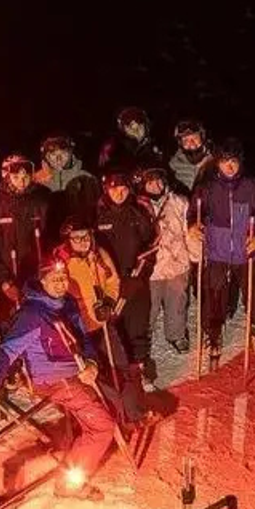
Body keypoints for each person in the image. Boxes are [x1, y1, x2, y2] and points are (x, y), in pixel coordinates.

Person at [0, 253, 116, 500]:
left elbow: (83, 337)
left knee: (104, 411)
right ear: (42, 282)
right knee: (102, 427)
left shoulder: (67, 303)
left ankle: (76, 458)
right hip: (53, 378)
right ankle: (69, 484)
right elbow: (7, 349)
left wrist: (90, 362)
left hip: (75, 371)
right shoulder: (32, 314)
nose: (60, 283)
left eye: (63, 277)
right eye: (54, 278)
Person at [57, 220, 150, 424]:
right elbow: (57, 293)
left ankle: (133, 414)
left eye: (86, 236)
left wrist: (108, 301)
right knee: (97, 376)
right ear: (68, 240)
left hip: (103, 323)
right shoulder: (62, 262)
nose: (83, 242)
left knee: (122, 367)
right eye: (77, 238)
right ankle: (112, 417)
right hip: (81, 329)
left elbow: (112, 281)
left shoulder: (99, 255)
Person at [194, 138, 255, 369]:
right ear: (217, 163)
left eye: (234, 162)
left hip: (245, 249)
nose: (230, 167)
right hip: (218, 250)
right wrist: (192, 226)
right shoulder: (206, 187)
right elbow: (194, 212)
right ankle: (213, 334)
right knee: (214, 293)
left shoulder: (253, 186)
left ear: (240, 163)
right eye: (225, 162)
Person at [95, 169, 159, 379]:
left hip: (135, 280)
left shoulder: (138, 213)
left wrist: (139, 276)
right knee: (113, 324)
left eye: (123, 189)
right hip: (110, 282)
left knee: (138, 323)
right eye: (114, 189)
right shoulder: (98, 214)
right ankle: (116, 367)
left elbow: (151, 248)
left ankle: (139, 365)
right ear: (107, 190)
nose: (119, 194)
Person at [140, 164, 203, 354]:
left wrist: (196, 254)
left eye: (159, 180)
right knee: (148, 306)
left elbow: (189, 232)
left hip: (178, 263)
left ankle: (176, 334)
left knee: (177, 303)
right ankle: (144, 334)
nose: (156, 185)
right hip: (152, 268)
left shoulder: (179, 202)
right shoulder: (139, 205)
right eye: (150, 182)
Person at [0, 155, 50, 326]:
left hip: (37, 281)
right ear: (7, 177)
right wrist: (4, 283)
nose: (21, 181)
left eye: (26, 177)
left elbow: (49, 243)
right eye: (16, 177)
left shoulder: (41, 206)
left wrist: (48, 273)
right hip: (10, 283)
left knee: (42, 328)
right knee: (12, 330)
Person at [37, 133, 99, 233]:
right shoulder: (37, 180)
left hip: (79, 236)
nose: (58, 159)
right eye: (53, 155)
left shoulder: (87, 178)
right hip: (47, 237)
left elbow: (96, 210)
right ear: (46, 157)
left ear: (71, 153)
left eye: (63, 153)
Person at [99, 106, 166, 181]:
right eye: (128, 124)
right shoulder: (114, 148)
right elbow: (107, 172)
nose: (135, 127)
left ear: (146, 125)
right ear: (123, 129)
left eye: (139, 122)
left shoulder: (159, 144)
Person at [167, 119, 214, 192]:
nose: (191, 142)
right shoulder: (174, 164)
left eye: (195, 138)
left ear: (202, 138)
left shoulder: (217, 158)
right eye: (186, 140)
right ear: (180, 143)